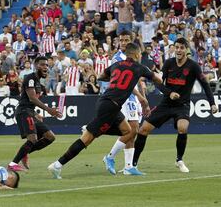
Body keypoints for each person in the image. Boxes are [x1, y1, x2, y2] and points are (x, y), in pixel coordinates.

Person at [48, 43, 162, 179]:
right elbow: (158, 79)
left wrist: (115, 78)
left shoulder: (116, 65)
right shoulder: (139, 67)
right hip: (110, 106)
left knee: (130, 131)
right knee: (87, 139)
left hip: (108, 103)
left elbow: (101, 77)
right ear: (137, 54)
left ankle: (109, 154)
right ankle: (57, 165)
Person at [133, 38, 218, 173]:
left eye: (181, 48)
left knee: (182, 128)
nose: (178, 50)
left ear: (186, 50)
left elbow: (205, 85)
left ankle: (179, 160)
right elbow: (159, 83)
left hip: (182, 105)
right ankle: (133, 164)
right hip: (166, 103)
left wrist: (212, 103)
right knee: (143, 129)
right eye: (176, 47)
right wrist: (170, 93)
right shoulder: (169, 63)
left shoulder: (193, 66)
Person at [103, 31, 151, 176]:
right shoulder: (118, 58)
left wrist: (142, 96)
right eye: (121, 40)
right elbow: (124, 82)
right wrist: (140, 97)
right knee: (133, 129)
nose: (123, 43)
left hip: (133, 97)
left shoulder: (133, 56)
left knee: (131, 133)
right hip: (124, 97)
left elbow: (136, 80)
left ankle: (128, 166)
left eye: (126, 40)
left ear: (131, 41)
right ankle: (109, 157)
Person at [8, 57, 62, 172]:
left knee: (50, 137)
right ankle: (12, 164)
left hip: (30, 112)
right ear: (36, 65)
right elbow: (32, 98)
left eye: (47, 65)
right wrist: (48, 110)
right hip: (23, 112)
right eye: (42, 65)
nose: (45, 67)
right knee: (32, 139)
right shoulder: (30, 78)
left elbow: (31, 101)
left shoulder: (38, 83)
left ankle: (24, 153)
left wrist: (36, 113)